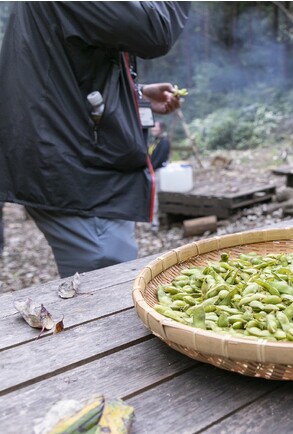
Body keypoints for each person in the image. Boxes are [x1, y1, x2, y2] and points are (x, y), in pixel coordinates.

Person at [0, 2, 190, 277]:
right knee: (105, 285)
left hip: (68, 153)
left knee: (103, 280)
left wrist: (134, 95)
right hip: (78, 167)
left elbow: (65, 66)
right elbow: (154, 30)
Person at [149, 121, 171, 230]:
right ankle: (153, 221)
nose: (153, 129)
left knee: (155, 197)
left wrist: (150, 168)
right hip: (153, 171)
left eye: (155, 127)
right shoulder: (156, 141)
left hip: (158, 173)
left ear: (161, 129)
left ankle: (155, 223)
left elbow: (159, 159)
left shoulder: (164, 142)